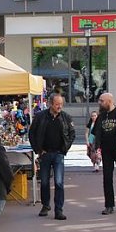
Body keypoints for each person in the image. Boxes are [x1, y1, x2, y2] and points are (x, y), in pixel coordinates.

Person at [28, 92, 76, 221]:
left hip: (59, 154)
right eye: (57, 104)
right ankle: (45, 205)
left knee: (59, 182)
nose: (59, 106)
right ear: (50, 104)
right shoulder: (40, 117)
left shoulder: (66, 117)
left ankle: (58, 210)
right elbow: (31, 133)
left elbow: (72, 134)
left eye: (61, 104)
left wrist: (65, 148)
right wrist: (38, 149)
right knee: (44, 182)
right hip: (45, 154)